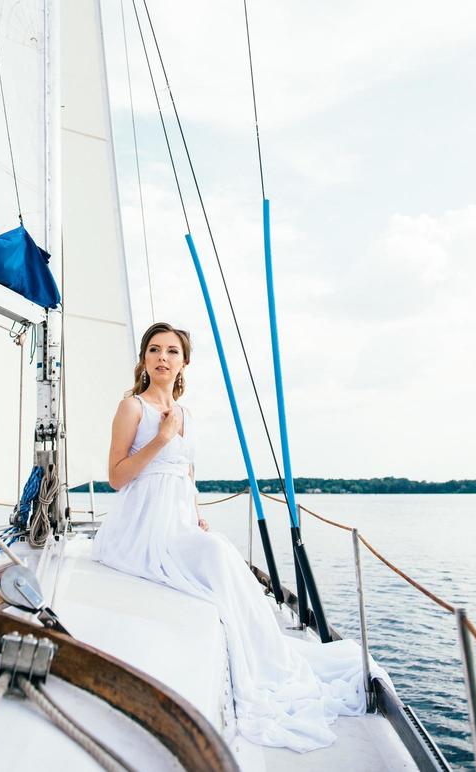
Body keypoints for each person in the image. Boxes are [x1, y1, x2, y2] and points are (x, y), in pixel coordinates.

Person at [92, 321, 374, 752]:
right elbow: (115, 478)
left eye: (171, 351)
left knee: (220, 553)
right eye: (154, 350)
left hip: (178, 519)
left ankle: (268, 657)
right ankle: (266, 661)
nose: (162, 357)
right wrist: (161, 439)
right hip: (141, 526)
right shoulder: (132, 408)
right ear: (144, 359)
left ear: (185, 362)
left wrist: (197, 513)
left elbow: (185, 474)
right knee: (220, 556)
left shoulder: (188, 415)